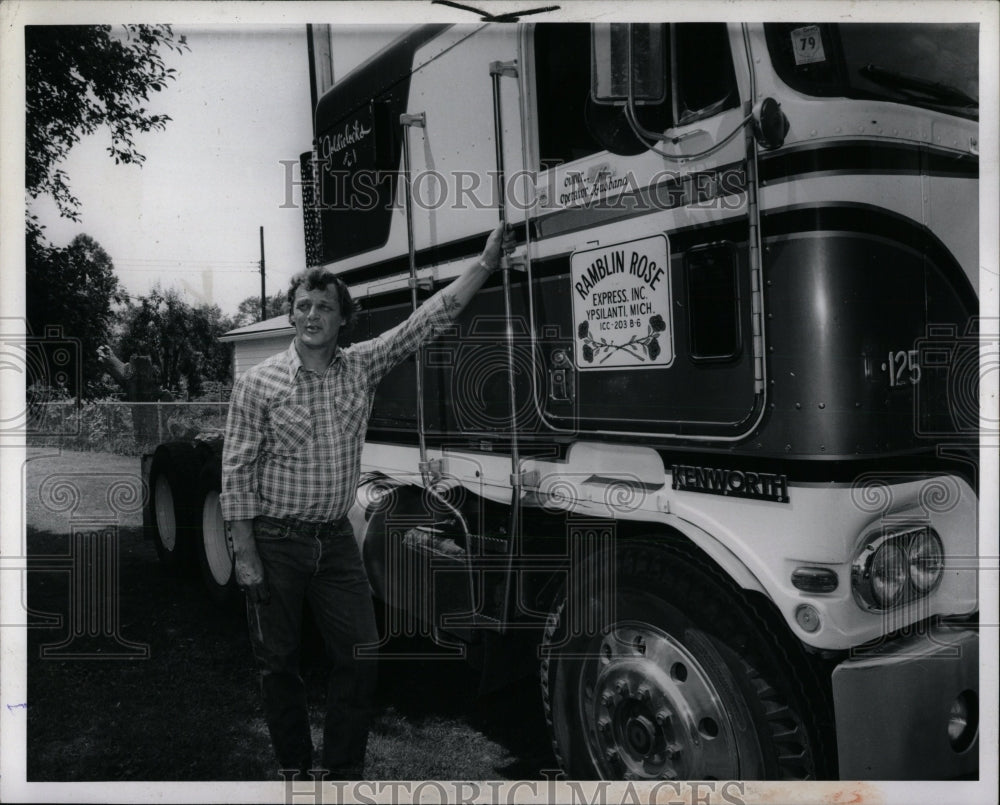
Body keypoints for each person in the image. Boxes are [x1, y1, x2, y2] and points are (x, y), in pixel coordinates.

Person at [220, 223, 513, 780]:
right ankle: (293, 769)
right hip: (274, 543)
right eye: (302, 305)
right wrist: (244, 553)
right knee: (278, 664)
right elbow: (234, 473)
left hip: (334, 543)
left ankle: (342, 773)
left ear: (342, 318)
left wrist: (484, 262)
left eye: (324, 307)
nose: (312, 316)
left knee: (360, 657)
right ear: (290, 315)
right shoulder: (258, 384)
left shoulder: (361, 366)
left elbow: (426, 320)